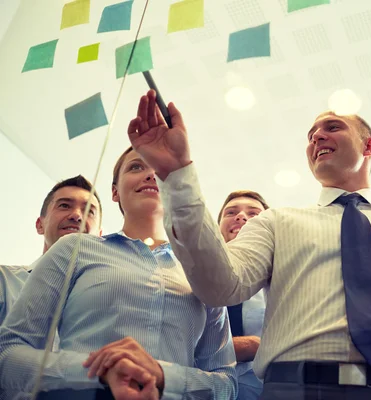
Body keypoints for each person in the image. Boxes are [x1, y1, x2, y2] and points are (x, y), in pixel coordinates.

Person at [120, 89, 371, 399]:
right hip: (295, 389)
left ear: (369, 146)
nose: (317, 136)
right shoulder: (275, 222)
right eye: (311, 135)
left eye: (332, 127)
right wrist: (177, 174)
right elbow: (221, 287)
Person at [0, 147, 237, 400]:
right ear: (115, 192)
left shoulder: (202, 270)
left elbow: (228, 384)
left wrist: (164, 375)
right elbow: (8, 353)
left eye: (160, 170)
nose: (150, 175)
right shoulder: (74, 249)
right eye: (136, 167)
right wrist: (99, 373)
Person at [0, 174, 103, 325]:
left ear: (100, 237)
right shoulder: (4, 282)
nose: (76, 215)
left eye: (89, 211)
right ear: (40, 225)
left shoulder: (106, 305)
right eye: (64, 205)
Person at [218, 190, 270, 400]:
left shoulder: (282, 281)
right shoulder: (190, 276)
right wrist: (245, 346)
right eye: (230, 212)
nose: (241, 217)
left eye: (254, 214)